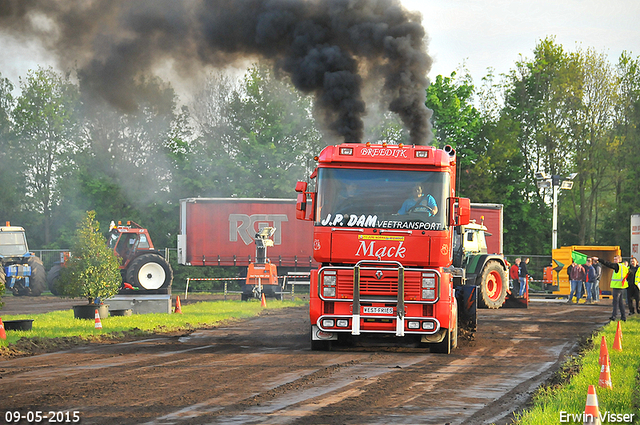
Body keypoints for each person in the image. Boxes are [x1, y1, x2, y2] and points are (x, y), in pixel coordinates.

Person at [593, 255, 628, 321]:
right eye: (614, 259)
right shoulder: (624, 267)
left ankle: (614, 316)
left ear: (619, 260)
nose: (614, 261)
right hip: (622, 287)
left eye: (616, 259)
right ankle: (623, 317)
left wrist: (598, 259)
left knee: (615, 302)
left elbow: (608, 264)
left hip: (617, 286)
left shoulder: (618, 266)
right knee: (620, 303)